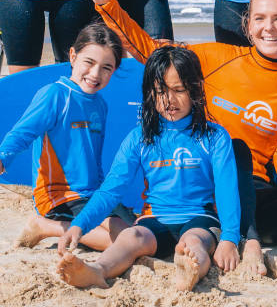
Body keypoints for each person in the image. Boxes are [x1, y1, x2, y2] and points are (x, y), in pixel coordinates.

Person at [71, 0, 277, 273]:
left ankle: (235, 231)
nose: (269, 28)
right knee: (116, 202)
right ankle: (236, 237)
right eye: (260, 18)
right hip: (197, 177)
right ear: (248, 26)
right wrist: (106, 5)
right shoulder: (217, 57)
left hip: (249, 191)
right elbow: (153, 54)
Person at [55, 45, 241, 291]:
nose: (169, 100)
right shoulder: (140, 138)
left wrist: (229, 237)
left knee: (193, 242)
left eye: (179, 90)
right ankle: (97, 271)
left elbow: (228, 190)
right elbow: (111, 190)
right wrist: (80, 224)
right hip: (154, 219)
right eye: (160, 91)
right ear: (150, 94)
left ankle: (191, 272)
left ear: (196, 89)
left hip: (200, 218)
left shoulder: (214, 137)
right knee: (130, 237)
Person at [0, 23, 129, 249]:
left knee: (134, 231)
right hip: (59, 195)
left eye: (106, 67)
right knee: (120, 241)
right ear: (72, 56)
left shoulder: (100, 104)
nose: (95, 74)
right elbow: (22, 133)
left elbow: (93, 156)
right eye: (89, 63)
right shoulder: (56, 95)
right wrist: (2, 158)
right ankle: (44, 226)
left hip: (91, 193)